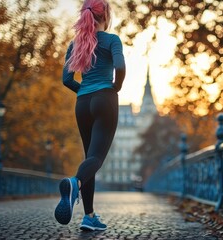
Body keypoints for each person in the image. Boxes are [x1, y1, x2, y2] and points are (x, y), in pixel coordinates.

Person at [54, 0, 125, 231]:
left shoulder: (75, 43)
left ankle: (89, 216)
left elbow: (66, 79)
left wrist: (83, 91)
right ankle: (74, 183)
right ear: (105, 16)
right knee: (96, 159)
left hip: (82, 103)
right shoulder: (112, 40)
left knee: (89, 158)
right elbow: (121, 67)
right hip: (105, 98)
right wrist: (116, 87)